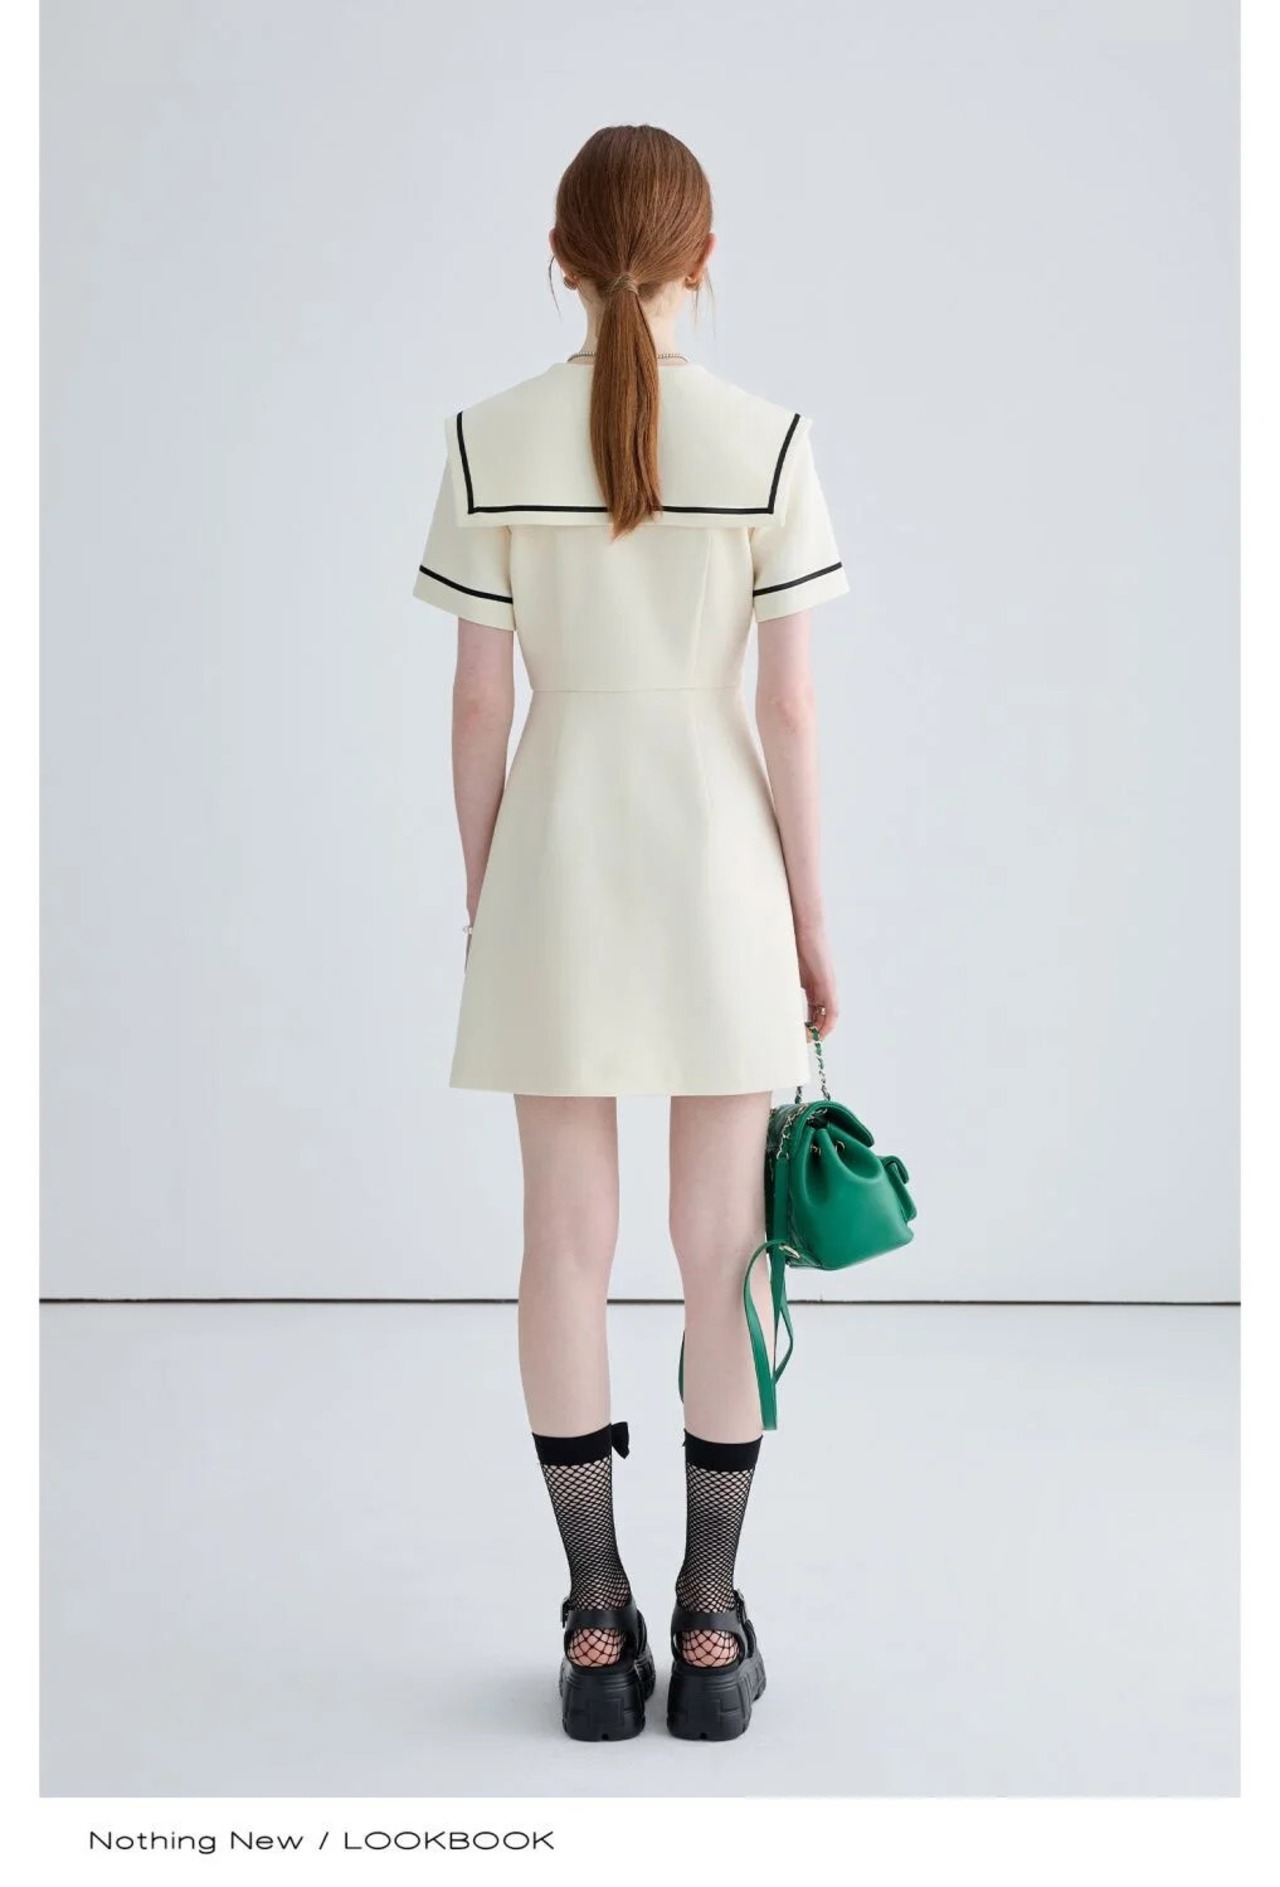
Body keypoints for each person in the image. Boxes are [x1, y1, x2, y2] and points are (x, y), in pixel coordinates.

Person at [411, 124, 849, 1742]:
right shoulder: (769, 439)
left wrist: (490, 896)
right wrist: (812, 924)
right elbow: (789, 713)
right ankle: (710, 1625)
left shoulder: (487, 438)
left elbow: (478, 706)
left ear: (560, 252)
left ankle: (598, 1627)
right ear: (703, 258)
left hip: (558, 863)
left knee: (564, 1245)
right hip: (720, 868)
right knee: (721, 1250)